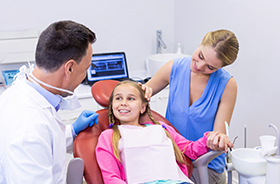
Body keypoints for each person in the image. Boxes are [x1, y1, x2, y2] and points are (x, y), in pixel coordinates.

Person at [0, 20, 99, 183]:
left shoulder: (16, 93)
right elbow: (35, 139)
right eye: (85, 69)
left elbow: (45, 143)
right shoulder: (29, 128)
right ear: (69, 68)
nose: (84, 77)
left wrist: (72, 131)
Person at [141, 29, 239, 184]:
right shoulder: (174, 67)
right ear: (201, 43)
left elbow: (217, 134)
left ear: (220, 68)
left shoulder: (227, 85)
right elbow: (144, 92)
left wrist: (218, 139)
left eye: (210, 67)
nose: (199, 66)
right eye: (200, 56)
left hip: (205, 163)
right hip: (171, 154)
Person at [95, 80, 233, 184]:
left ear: (143, 107)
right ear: (112, 105)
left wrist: (212, 139)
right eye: (118, 98)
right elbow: (111, 178)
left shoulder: (162, 128)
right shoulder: (109, 136)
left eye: (130, 98)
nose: (123, 103)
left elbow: (191, 149)